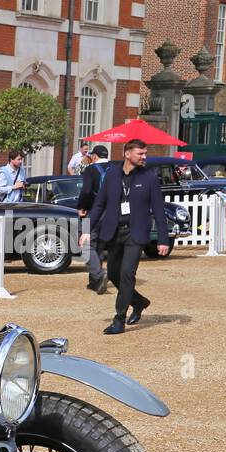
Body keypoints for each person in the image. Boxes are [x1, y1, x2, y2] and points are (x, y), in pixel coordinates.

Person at [80, 138, 170, 335]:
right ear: (127, 154)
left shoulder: (150, 177)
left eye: (145, 153)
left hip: (135, 233)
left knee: (128, 272)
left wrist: (163, 239)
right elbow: (99, 205)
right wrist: (86, 230)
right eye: (140, 153)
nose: (144, 157)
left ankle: (119, 319)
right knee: (113, 274)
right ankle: (139, 302)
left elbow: (159, 210)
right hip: (113, 232)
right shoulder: (111, 176)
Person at [77, 145, 110, 293]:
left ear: (95, 156)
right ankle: (94, 282)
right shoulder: (116, 168)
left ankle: (99, 274)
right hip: (112, 212)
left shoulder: (91, 169)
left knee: (85, 245)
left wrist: (81, 206)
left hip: (94, 211)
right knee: (99, 247)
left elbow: (86, 191)